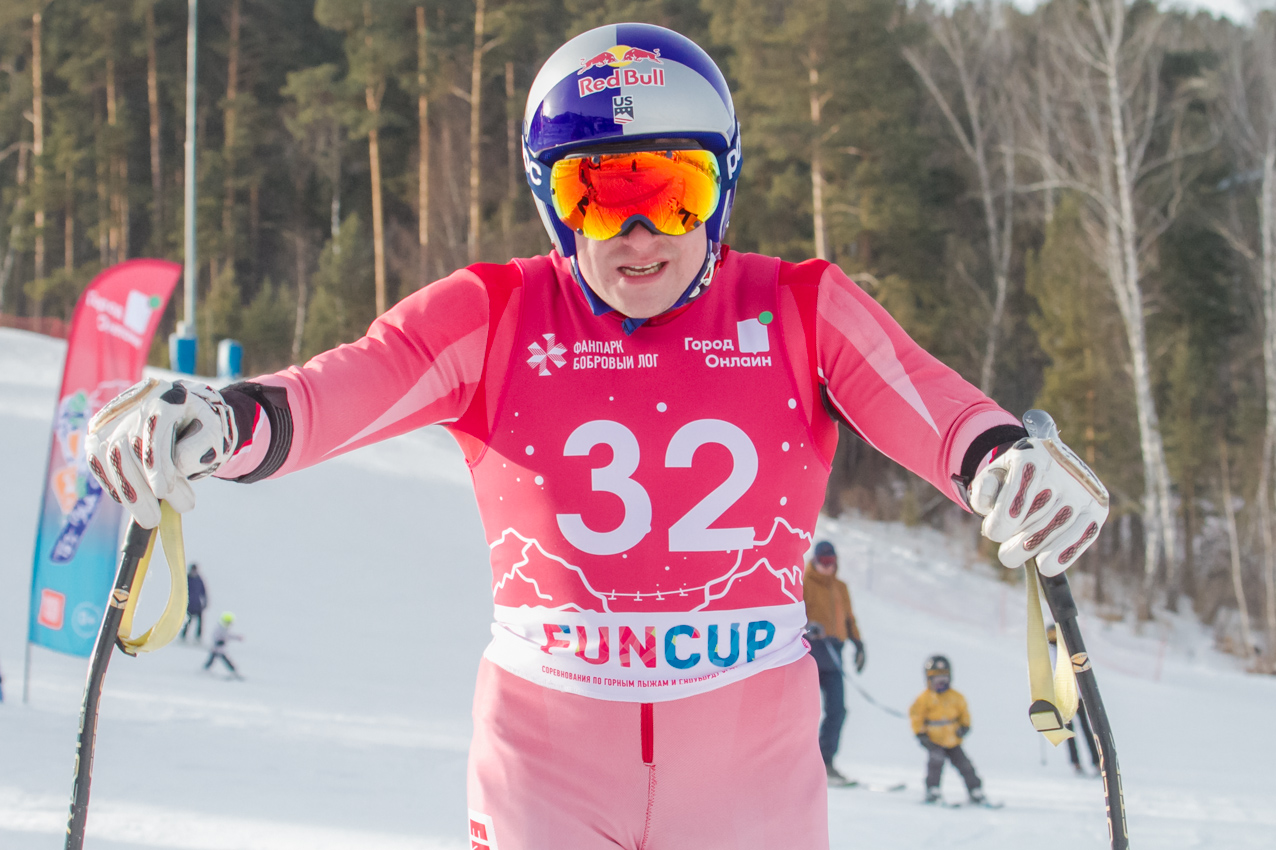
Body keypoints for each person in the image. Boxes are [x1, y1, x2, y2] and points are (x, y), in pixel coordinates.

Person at [83, 23, 1109, 850]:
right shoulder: (493, 313)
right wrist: (212, 422)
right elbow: (328, 395)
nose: (639, 233)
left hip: (748, 766)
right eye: (598, 196)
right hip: (545, 763)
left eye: (674, 191)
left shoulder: (801, 308)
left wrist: (1010, 465)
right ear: (552, 203)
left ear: (722, 190)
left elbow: (937, 412)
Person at [802, 540, 864, 785]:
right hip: (810, 654)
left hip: (834, 655)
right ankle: (798, 765)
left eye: (832, 562)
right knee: (804, 712)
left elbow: (849, 618)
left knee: (837, 710)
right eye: (823, 562)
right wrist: (808, 628)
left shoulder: (840, 587)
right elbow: (793, 616)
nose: (828, 567)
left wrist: (858, 644)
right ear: (815, 561)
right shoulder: (804, 584)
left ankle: (825, 763)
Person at [910, 655, 986, 805]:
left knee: (965, 765)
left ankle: (975, 790)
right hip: (934, 741)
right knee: (935, 764)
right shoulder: (923, 699)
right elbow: (916, 717)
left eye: (944, 679)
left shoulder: (956, 697)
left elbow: (964, 714)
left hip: (953, 740)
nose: (941, 683)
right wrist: (920, 734)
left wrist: (964, 727)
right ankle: (933, 790)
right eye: (937, 679)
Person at [1047, 623, 1101, 775]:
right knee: (1068, 731)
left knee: (1085, 728)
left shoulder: (1068, 650)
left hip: (1076, 696)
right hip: (1062, 699)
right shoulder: (1049, 652)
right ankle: (1076, 763)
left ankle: (1096, 762)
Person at [203, 612, 243, 677]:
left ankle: (205, 669)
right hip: (217, 648)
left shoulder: (225, 629)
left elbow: (229, 635)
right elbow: (215, 636)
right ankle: (233, 671)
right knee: (222, 659)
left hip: (220, 649)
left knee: (214, 659)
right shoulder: (219, 628)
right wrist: (219, 641)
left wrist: (237, 637)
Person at [180, 563, 207, 642]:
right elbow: (182, 591)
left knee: (200, 621)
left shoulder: (199, 579)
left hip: (197, 604)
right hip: (189, 605)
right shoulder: (187, 579)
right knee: (188, 621)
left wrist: (205, 601)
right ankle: (183, 635)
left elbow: (203, 591)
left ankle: (198, 636)